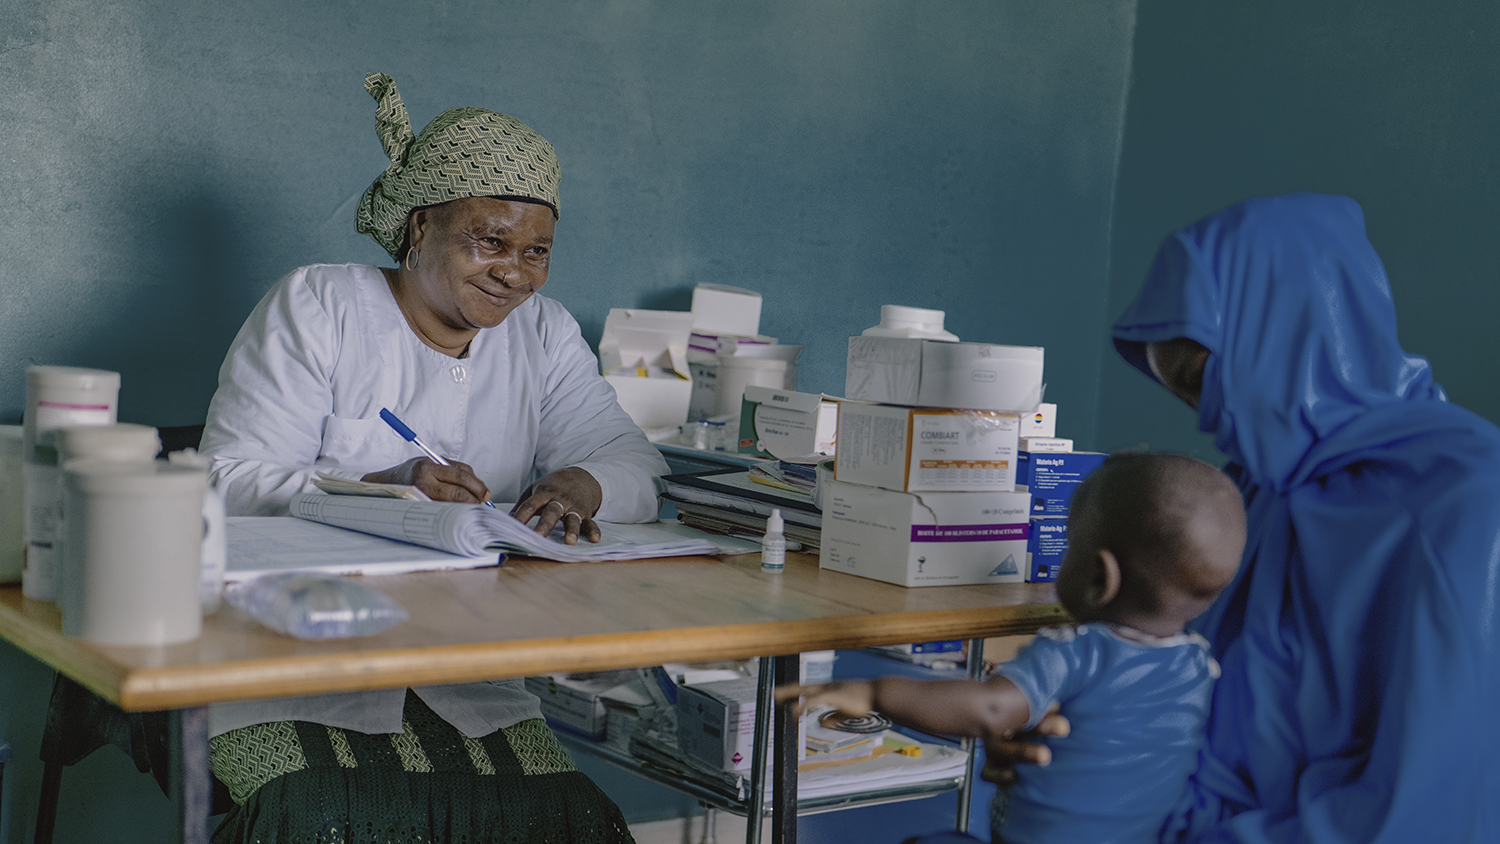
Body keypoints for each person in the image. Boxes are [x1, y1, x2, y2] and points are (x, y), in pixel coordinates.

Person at [198, 73, 669, 843]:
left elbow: (635, 463)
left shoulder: (543, 334)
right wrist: (378, 486)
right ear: (420, 229)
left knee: (571, 817)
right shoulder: (321, 306)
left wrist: (582, 482)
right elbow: (225, 480)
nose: (514, 273)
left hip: (471, 677)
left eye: (536, 251)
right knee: (317, 815)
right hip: (290, 669)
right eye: (489, 241)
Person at [1009, 191, 1500, 843]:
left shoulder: (1462, 501)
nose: (1211, 421)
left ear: (1282, 342)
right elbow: (1165, 686)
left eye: (1203, 383)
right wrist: (1072, 744)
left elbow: (1423, 812)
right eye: (1186, 396)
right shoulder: (1254, 488)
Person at [776, 452, 1247, 844]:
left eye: (1069, 546)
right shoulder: (1200, 665)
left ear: (1100, 577)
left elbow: (993, 708)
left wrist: (876, 693)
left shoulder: (1077, 652)